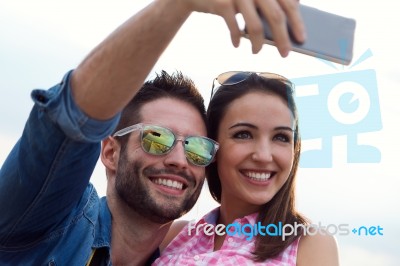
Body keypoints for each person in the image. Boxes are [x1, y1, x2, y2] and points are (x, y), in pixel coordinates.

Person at [0, 0, 306, 264]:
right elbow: (74, 120)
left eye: (197, 148)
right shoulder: (49, 220)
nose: (179, 160)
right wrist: (176, 7)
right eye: (157, 138)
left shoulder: (183, 256)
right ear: (110, 152)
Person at [154, 71, 339, 265]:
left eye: (281, 137)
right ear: (212, 147)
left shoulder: (310, 243)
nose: (263, 156)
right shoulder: (174, 234)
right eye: (244, 135)